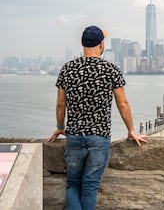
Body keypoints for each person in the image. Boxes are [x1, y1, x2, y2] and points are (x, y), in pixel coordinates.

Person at [48, 25, 148, 210]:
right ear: (101, 44)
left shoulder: (67, 69)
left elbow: (61, 104)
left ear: (82, 44)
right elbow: (122, 103)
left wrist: (60, 126)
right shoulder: (111, 69)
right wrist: (131, 130)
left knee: (73, 185)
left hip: (75, 137)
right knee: (90, 188)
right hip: (99, 137)